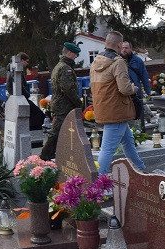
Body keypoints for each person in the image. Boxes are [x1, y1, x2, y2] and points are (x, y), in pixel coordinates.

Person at [90, 31, 147, 175]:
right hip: (117, 109)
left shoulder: (96, 61)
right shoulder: (118, 62)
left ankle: (139, 168)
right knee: (108, 149)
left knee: (128, 140)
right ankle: (99, 181)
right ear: (119, 44)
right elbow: (124, 89)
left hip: (104, 108)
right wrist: (134, 89)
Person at [40, 43, 82, 161]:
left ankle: (53, 156)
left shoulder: (59, 66)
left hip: (60, 105)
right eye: (75, 54)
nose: (76, 56)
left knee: (61, 133)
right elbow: (68, 89)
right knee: (56, 133)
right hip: (64, 106)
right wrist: (78, 103)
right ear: (69, 53)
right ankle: (44, 158)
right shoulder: (65, 68)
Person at [6, 52, 44, 130]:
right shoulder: (15, 70)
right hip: (21, 97)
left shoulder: (13, 70)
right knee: (37, 114)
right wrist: (27, 95)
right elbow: (19, 86)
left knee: (38, 113)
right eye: (26, 61)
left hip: (20, 97)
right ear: (22, 60)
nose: (27, 63)